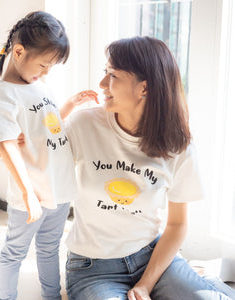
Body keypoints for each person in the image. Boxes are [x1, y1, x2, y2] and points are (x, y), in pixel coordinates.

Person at [63, 36, 235, 299]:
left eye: (113, 75)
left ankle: (204, 280)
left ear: (145, 88)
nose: (101, 85)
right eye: (104, 73)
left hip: (152, 257)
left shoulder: (177, 144)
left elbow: (177, 224)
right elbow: (46, 171)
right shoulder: (84, 124)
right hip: (93, 267)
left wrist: (145, 284)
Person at [0, 11, 97, 300]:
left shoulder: (39, 86)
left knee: (49, 249)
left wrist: (70, 103)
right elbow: (7, 146)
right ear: (19, 52)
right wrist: (28, 193)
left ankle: (51, 296)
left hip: (58, 189)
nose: (46, 72)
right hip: (31, 195)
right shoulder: (5, 96)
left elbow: (47, 127)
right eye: (44, 64)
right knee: (14, 252)